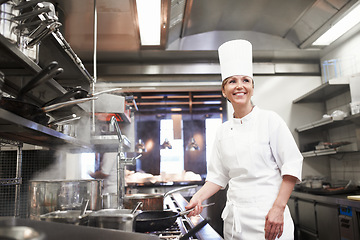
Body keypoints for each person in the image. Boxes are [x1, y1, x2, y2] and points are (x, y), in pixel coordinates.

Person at [185, 39, 303, 240]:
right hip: (235, 222)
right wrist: (197, 197)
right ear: (224, 91)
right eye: (232, 81)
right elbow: (217, 177)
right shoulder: (222, 132)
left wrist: (278, 208)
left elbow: (291, 165)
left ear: (252, 87)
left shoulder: (270, 120)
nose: (239, 86)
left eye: (245, 80)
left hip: (270, 219)